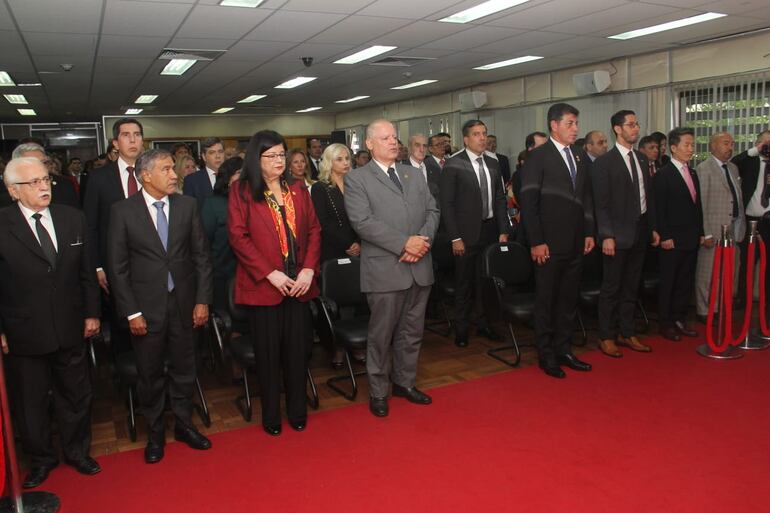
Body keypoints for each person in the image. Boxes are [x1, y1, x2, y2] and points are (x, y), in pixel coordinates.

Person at [0, 157, 101, 488]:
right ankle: (41, 459)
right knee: (30, 402)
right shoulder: (2, 224)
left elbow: (87, 272)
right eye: (34, 182)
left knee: (75, 394)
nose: (44, 186)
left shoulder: (72, 218)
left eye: (46, 179)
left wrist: (92, 313)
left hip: (71, 324)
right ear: (13, 191)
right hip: (23, 330)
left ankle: (77, 452)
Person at [108, 148, 213, 464]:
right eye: (166, 169)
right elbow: (117, 268)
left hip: (184, 304)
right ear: (145, 175)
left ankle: (184, 425)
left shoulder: (187, 205)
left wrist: (202, 300)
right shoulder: (123, 211)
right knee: (150, 374)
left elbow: (201, 257)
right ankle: (155, 434)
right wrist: (132, 312)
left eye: (172, 168)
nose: (173, 174)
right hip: (145, 309)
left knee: (184, 369)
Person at [228, 130, 321, 436]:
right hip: (265, 286)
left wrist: (308, 270)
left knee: (298, 352)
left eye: (282, 154)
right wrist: (270, 273)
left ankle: (297, 411)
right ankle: (271, 414)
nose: (279, 161)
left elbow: (314, 230)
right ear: (256, 159)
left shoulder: (297, 188)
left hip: (299, 284)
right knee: (267, 356)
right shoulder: (242, 191)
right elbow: (238, 237)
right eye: (271, 156)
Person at [345, 119, 440, 417]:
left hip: (419, 265)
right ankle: (378, 391)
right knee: (381, 335)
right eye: (385, 138)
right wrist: (404, 244)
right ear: (369, 144)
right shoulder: (357, 178)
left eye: (394, 137)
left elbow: (432, 210)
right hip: (386, 270)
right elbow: (362, 222)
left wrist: (421, 242)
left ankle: (404, 383)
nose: (392, 142)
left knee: (412, 332)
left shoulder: (413, 173)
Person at [519, 103, 595, 379]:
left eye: (576, 123)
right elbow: (529, 202)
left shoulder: (579, 155)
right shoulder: (538, 157)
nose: (575, 129)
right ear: (554, 125)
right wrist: (536, 241)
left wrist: (588, 231)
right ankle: (546, 354)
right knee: (547, 300)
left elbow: (586, 197)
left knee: (568, 300)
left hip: (575, 241)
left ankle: (564, 349)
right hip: (548, 244)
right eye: (570, 123)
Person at [591, 110, 658, 358]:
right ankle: (606, 336)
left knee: (631, 286)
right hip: (616, 235)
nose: (636, 128)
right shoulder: (604, 163)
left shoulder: (641, 158)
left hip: (640, 230)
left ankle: (627, 332)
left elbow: (647, 196)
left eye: (637, 124)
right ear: (617, 129)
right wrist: (606, 235)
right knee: (612, 287)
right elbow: (601, 204)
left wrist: (652, 227)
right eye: (630, 125)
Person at [440, 119, 509, 348]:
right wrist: (455, 237)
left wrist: (503, 230)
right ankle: (461, 329)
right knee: (464, 283)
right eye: (477, 134)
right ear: (466, 139)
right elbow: (447, 204)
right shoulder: (454, 164)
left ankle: (483, 323)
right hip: (465, 234)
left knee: (485, 282)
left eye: (484, 133)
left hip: (490, 230)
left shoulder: (493, 163)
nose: (482, 138)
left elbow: (500, 198)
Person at [83, 118, 144, 355]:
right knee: (123, 321)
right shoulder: (99, 177)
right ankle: (126, 369)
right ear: (115, 143)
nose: (133, 140)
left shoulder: (153, 172)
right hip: (114, 262)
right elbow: (91, 225)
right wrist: (97, 265)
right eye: (126, 135)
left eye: (137, 134)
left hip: (150, 262)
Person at [654, 127, 704, 341]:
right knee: (669, 283)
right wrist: (665, 236)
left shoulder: (692, 172)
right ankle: (665, 323)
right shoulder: (663, 175)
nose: (691, 149)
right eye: (687, 145)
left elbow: (697, 206)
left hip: (691, 237)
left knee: (685, 281)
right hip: (672, 239)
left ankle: (679, 319)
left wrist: (701, 232)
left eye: (692, 144)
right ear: (673, 148)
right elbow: (659, 208)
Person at [694, 132, 744, 324]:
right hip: (713, 229)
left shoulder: (733, 168)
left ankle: (719, 307)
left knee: (726, 272)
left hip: (732, 227)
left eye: (732, 143)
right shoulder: (704, 168)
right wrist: (705, 232)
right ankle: (704, 310)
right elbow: (701, 204)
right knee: (707, 272)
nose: (730, 147)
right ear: (713, 145)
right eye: (725, 143)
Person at [734, 130, 770, 311]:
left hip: (769, 221)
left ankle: (767, 302)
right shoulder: (750, 162)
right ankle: (743, 299)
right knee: (747, 262)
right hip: (751, 221)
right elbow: (733, 163)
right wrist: (755, 150)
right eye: (766, 143)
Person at [202, 157, 242, 311]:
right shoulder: (214, 204)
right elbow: (204, 242)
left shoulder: (254, 202)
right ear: (227, 178)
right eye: (239, 173)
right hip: (221, 276)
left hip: (251, 275)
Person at [311, 143, 360, 264]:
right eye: (339, 159)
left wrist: (359, 242)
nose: (346, 163)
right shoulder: (320, 188)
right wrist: (348, 244)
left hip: (359, 247)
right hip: (333, 249)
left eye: (347, 158)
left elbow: (364, 216)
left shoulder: (355, 185)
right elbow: (323, 222)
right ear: (329, 162)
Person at [184, 137, 225, 208]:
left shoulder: (233, 177)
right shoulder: (191, 180)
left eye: (220, 151)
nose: (218, 156)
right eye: (212, 152)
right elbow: (189, 209)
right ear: (204, 157)